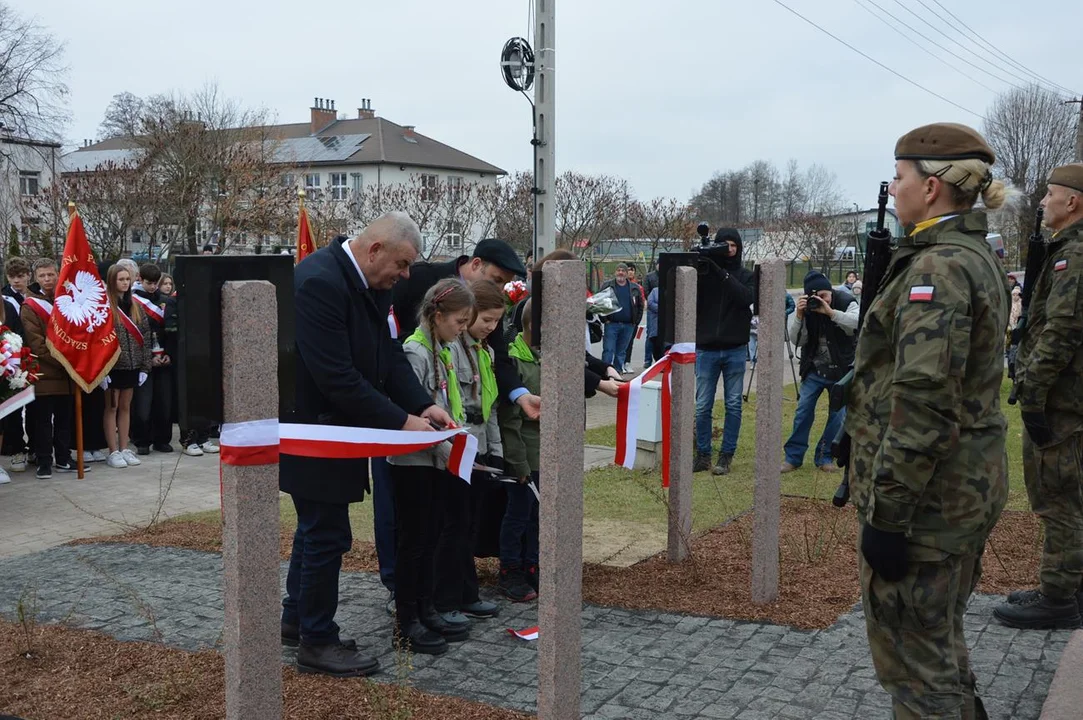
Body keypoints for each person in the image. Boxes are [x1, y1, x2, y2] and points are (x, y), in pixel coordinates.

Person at [846, 122, 1010, 717]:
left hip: (927, 507)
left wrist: (888, 517)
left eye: (900, 175)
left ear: (932, 187)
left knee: (916, 668)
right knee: (938, 645)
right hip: (956, 492)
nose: (894, 186)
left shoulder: (937, 269)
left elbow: (924, 403)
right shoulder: (969, 254)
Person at [279, 212, 453, 677]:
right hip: (315, 431)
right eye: (401, 264)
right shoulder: (319, 282)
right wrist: (401, 422)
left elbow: (387, 355)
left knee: (316, 529)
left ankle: (297, 618)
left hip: (339, 430)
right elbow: (336, 376)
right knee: (327, 534)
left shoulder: (370, 284)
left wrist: (423, 404)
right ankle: (317, 640)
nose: (406, 276)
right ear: (374, 249)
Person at [375, 239, 529, 610]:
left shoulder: (472, 348)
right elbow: (426, 400)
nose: (479, 328)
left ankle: (447, 599)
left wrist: (489, 450)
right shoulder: (422, 341)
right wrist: (454, 451)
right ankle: (416, 605)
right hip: (422, 452)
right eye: (469, 321)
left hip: (459, 448)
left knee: (457, 525)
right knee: (420, 533)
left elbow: (484, 403)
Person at [994, 162, 1083, 630]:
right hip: (1068, 397)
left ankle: (1058, 597)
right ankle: (1068, 584)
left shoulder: (1075, 255)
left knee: (1058, 499)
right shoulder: (1064, 250)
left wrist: (1032, 392)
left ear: (1073, 201)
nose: (1043, 201)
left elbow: (1062, 331)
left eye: (1051, 193)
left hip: (1062, 402)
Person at [388, 278, 475, 654]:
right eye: (458, 321)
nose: (461, 329)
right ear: (436, 315)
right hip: (413, 460)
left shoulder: (445, 347)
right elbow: (416, 405)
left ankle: (427, 607)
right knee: (414, 542)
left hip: (440, 457)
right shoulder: (415, 351)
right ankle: (406, 619)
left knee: (431, 534)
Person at [440, 279, 505, 625]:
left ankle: (468, 594)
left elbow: (489, 406)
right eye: (486, 320)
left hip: (479, 449)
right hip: (456, 448)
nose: (491, 328)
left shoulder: (487, 352)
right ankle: (449, 597)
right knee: (453, 526)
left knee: (470, 525)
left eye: (496, 322)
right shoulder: (449, 349)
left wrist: (495, 452)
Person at [780, 271, 858, 474]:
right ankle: (793, 457)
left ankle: (824, 456)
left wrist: (830, 312)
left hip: (841, 370)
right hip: (814, 370)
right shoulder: (807, 309)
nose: (822, 300)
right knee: (803, 412)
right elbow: (797, 340)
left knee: (837, 416)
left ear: (831, 290)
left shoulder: (846, 300)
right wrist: (798, 315)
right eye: (818, 297)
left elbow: (857, 322)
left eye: (825, 295)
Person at [693, 228, 755, 475]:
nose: (728, 250)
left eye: (733, 245)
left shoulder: (746, 275)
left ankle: (726, 455)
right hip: (706, 349)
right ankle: (703, 454)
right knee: (702, 405)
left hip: (735, 349)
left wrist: (721, 272)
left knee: (733, 404)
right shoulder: (704, 274)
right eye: (723, 245)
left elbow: (745, 298)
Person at [498, 297, 541, 602]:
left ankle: (533, 564)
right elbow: (510, 420)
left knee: (538, 517)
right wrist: (518, 462)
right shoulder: (514, 361)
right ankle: (510, 569)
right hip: (524, 457)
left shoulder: (547, 358)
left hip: (546, 458)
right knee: (518, 515)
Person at [22, 258, 76, 479]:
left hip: (68, 373)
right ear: (35, 277)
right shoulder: (30, 306)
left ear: (57, 274)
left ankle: (63, 458)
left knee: (65, 420)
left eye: (51, 275)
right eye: (42, 275)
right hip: (45, 371)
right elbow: (36, 343)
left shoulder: (69, 300)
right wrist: (66, 361)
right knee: (43, 422)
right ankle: (44, 461)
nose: (47, 279)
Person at [102, 265, 152, 469]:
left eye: (127, 279)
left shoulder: (136, 306)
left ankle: (124, 448)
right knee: (111, 407)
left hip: (133, 365)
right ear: (112, 281)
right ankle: (112, 451)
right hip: (113, 367)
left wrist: (145, 367)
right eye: (120, 279)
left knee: (125, 407)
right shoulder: (104, 306)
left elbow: (146, 336)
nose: (124, 283)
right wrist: (102, 370)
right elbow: (99, 339)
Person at [131, 264, 174, 455]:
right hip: (144, 360)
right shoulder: (132, 301)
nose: (152, 287)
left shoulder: (165, 301)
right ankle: (142, 440)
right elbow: (132, 335)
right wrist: (148, 358)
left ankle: (162, 440)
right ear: (140, 279)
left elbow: (172, 331)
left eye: (155, 283)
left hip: (164, 357)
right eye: (149, 283)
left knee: (164, 403)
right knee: (143, 404)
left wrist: (168, 354)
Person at [1, 257, 30, 473]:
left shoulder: (34, 296)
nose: (17, 281)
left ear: (28, 275)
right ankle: (15, 448)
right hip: (12, 359)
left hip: (31, 357)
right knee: (12, 408)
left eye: (21, 276)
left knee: (34, 408)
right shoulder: (6, 299)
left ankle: (35, 447)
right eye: (13, 277)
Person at [599, 263, 643, 374]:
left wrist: (635, 322)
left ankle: (618, 372)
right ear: (615, 272)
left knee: (621, 352)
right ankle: (606, 372)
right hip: (611, 324)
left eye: (623, 271)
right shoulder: (607, 286)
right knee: (608, 350)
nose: (621, 272)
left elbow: (640, 306)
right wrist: (605, 320)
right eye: (618, 270)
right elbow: (600, 303)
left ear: (627, 273)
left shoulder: (634, 288)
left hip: (628, 325)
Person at [623, 263, 646, 371]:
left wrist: (637, 320)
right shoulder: (619, 284)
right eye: (628, 270)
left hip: (632, 320)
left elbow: (641, 304)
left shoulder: (638, 287)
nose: (630, 272)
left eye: (632, 270)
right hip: (621, 318)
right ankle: (619, 362)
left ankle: (627, 362)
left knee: (629, 342)